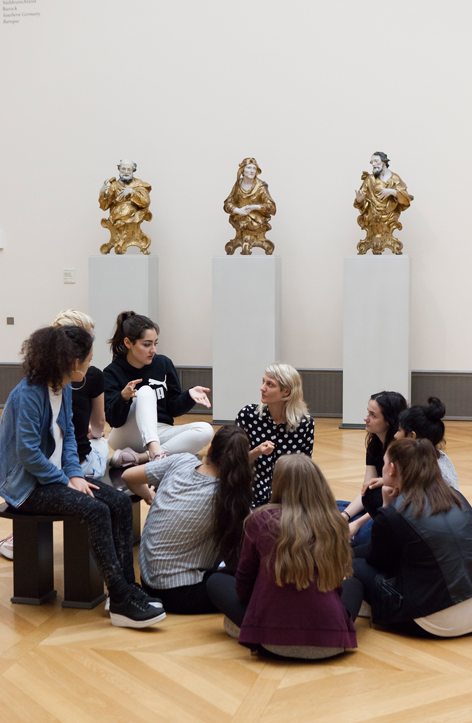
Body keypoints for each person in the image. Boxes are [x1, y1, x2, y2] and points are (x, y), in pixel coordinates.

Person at [0, 325, 165, 628]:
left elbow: (71, 440)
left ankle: (127, 590)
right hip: (27, 487)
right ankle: (119, 597)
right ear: (73, 364)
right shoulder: (28, 395)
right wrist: (66, 480)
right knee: (97, 509)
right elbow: (28, 454)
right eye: (88, 360)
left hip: (54, 478)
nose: (90, 366)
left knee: (117, 501)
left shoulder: (60, 388)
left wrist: (73, 473)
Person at [207, 454, 362, 659]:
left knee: (215, 580)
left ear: (278, 484)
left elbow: (244, 586)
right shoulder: (334, 523)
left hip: (271, 641)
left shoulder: (261, 519)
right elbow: (337, 587)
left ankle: (252, 624)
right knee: (356, 585)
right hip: (331, 644)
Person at [122, 425, 253, 614]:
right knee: (251, 578)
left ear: (209, 450)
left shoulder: (181, 460)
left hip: (147, 580)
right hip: (180, 593)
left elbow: (128, 476)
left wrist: (149, 497)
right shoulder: (229, 497)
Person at [353, 438, 472, 637]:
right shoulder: (457, 497)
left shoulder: (393, 514)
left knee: (352, 563)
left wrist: (386, 506)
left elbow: (378, 560)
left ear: (391, 469)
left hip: (432, 621)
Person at [103, 311, 213, 466]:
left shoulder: (163, 363)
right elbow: (113, 420)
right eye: (147, 345)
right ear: (128, 343)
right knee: (146, 391)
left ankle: (142, 457)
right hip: (126, 434)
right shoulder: (112, 372)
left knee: (205, 430)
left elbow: (173, 409)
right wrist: (123, 398)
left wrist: (189, 395)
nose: (153, 350)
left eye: (155, 343)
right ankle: (154, 449)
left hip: (160, 429)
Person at [236, 363, 314, 507]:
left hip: (287, 496)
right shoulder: (248, 415)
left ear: (286, 392)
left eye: (270, 384)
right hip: (250, 493)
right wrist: (256, 452)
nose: (262, 388)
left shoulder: (304, 423)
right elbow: (233, 462)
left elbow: (303, 469)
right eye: (263, 382)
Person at [339, 391, 407, 545]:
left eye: (373, 415)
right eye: (367, 412)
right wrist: (345, 516)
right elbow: (367, 490)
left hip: (394, 510)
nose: (366, 418)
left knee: (361, 537)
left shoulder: (401, 450)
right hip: (376, 504)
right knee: (332, 509)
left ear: (389, 421)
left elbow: (391, 503)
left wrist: (356, 524)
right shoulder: (374, 444)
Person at [52, 309, 108, 480]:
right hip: (71, 467)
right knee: (102, 442)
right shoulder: (91, 375)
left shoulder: (39, 376)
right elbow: (99, 423)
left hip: (55, 465)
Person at [354, 151, 414, 255]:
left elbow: (406, 197)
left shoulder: (394, 178)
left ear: (384, 162)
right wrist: (359, 199)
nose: (373, 164)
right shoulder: (369, 179)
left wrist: (392, 192)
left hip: (389, 217)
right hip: (372, 217)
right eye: (371, 162)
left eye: (376, 161)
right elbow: (361, 202)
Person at [224, 157, 276, 255]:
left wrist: (255, 207)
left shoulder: (261, 186)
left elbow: (272, 207)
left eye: (254, 168)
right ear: (242, 171)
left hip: (256, 221)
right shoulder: (238, 185)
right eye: (249, 168)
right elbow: (227, 203)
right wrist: (238, 210)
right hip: (239, 220)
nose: (252, 171)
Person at [99, 159, 152, 255]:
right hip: (116, 216)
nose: (126, 172)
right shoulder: (114, 185)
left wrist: (132, 192)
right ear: (119, 169)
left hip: (132, 215)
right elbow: (105, 206)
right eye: (123, 169)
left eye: (129, 169)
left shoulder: (139, 184)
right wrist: (102, 194)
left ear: (133, 170)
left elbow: (146, 201)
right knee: (118, 217)